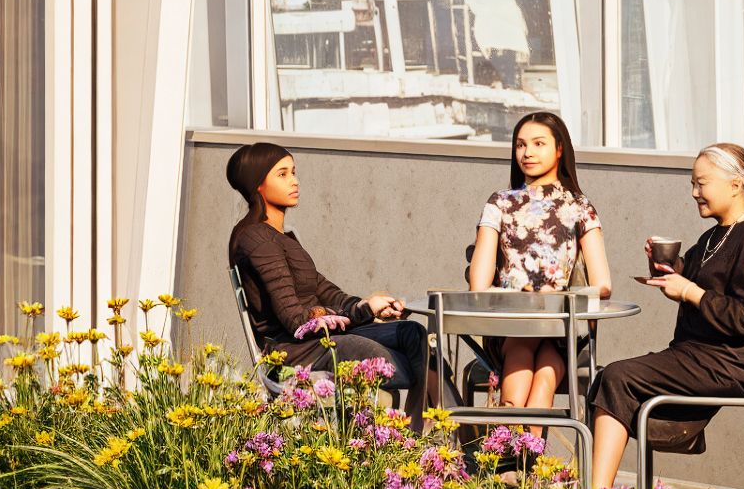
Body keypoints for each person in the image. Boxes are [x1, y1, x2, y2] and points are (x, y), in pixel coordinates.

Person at [591, 142, 744, 466]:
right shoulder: (716, 235)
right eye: (692, 184)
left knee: (616, 377)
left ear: (736, 184)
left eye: (702, 183)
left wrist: (689, 292)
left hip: (729, 363)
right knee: (604, 378)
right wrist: (666, 266)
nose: (695, 192)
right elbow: (692, 274)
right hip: (697, 355)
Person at [220, 140, 427, 407]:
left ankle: (416, 433)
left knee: (414, 334)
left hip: (324, 340)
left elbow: (326, 290)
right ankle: (425, 432)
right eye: (282, 175)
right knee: (400, 361)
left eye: (293, 172)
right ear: (256, 184)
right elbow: (296, 321)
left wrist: (369, 307)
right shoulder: (257, 240)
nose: (294, 181)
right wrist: (362, 313)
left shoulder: (283, 238)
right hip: (295, 352)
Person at [463, 108, 604, 414]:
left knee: (544, 377)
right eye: (521, 145)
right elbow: (478, 283)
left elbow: (603, 284)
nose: (527, 153)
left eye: (538, 143)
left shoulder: (580, 207)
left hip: (560, 327)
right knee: (526, 353)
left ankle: (517, 455)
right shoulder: (499, 202)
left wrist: (554, 297)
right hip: (510, 324)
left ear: (559, 149)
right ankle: (520, 454)